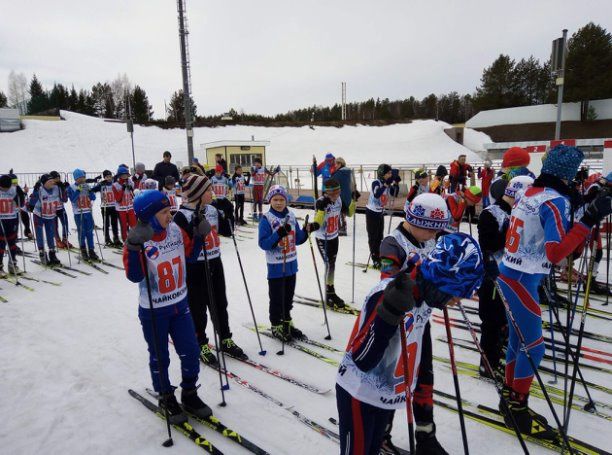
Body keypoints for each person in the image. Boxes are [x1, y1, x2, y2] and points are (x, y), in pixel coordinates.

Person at [498, 145, 611, 438]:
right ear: (567, 176)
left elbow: (555, 222)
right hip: (523, 279)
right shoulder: (555, 201)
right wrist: (588, 220)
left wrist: (587, 204)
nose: (575, 181)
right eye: (574, 177)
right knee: (534, 348)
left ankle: (510, 401)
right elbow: (556, 251)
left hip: (512, 274)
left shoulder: (534, 191)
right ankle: (518, 411)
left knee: (517, 342)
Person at [336, 233, 483, 455]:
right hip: (359, 393)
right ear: (443, 280)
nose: (457, 301)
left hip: (386, 395)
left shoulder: (424, 291)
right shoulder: (389, 293)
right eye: (456, 293)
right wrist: (389, 314)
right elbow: (362, 359)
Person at [123, 189, 212, 424]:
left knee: (191, 351)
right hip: (154, 311)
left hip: (180, 305)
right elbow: (134, 276)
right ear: (149, 216)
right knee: (160, 357)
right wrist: (133, 247)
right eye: (163, 212)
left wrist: (200, 236)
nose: (169, 216)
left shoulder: (174, 230)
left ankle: (190, 393)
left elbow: (190, 258)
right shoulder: (140, 238)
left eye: (169, 210)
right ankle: (165, 396)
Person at [378, 193, 451, 455]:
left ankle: (426, 436)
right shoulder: (392, 244)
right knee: (391, 381)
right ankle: (381, 435)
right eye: (429, 229)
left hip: (422, 326)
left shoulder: (431, 240)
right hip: (395, 328)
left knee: (424, 378)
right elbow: (388, 284)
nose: (433, 235)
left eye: (437, 230)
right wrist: (421, 285)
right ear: (413, 220)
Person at [174, 174, 247, 364]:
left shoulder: (212, 209)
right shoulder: (180, 217)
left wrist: (227, 216)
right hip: (195, 266)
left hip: (215, 261)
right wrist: (195, 228)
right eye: (207, 190)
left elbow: (226, 231)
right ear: (197, 194)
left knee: (220, 303)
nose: (212, 192)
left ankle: (225, 338)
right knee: (197, 307)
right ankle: (200, 343)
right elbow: (184, 250)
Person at [477, 176, 533, 380]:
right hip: (492, 275)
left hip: (512, 275)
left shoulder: (519, 213)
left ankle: (497, 353)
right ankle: (486, 364)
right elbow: (488, 245)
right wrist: (513, 231)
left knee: (504, 319)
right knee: (491, 321)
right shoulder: (490, 213)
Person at [258, 185, 308, 341]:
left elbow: (298, 239)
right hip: (276, 267)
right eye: (275, 200)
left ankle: (286, 321)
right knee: (277, 298)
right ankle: (276, 325)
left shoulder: (292, 216)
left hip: (291, 265)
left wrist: (307, 231)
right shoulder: (267, 219)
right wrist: (278, 235)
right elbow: (263, 244)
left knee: (288, 297)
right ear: (270, 200)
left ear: (286, 200)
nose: (278, 203)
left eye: (281, 199)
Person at [306, 178, 346, 309]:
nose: (335, 196)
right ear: (326, 193)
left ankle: (331, 292)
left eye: (338, 192)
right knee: (329, 264)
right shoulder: (321, 202)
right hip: (323, 239)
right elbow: (318, 223)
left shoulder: (339, 200)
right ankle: (329, 293)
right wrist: (310, 227)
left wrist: (353, 200)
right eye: (332, 194)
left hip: (334, 237)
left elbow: (349, 213)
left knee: (332, 265)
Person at [28, 174, 62, 266]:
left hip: (50, 215)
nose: (52, 182)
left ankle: (52, 254)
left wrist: (62, 186)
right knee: (40, 235)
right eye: (49, 181)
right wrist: (35, 190)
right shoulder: (40, 190)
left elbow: (63, 198)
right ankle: (42, 253)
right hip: (39, 215)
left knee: (50, 234)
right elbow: (32, 202)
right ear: (44, 183)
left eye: (52, 180)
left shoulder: (56, 188)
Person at [365, 164, 395, 269]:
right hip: (372, 212)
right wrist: (386, 185)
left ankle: (380, 256)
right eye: (388, 173)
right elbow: (377, 194)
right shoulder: (375, 183)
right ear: (382, 174)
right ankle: (375, 258)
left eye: (391, 173)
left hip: (380, 212)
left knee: (380, 236)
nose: (390, 175)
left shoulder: (387, 183)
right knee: (373, 236)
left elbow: (393, 193)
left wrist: (395, 184)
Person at [67, 169, 99, 262]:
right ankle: (83, 250)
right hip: (78, 213)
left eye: (83, 177)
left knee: (89, 232)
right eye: (80, 178)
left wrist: (90, 191)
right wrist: (78, 191)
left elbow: (93, 197)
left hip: (87, 212)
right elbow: (72, 199)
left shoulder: (86, 186)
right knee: (82, 232)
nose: (82, 179)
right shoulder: (71, 187)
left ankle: (91, 250)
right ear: (76, 178)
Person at [92, 170, 121, 247]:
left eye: (110, 176)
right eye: (107, 177)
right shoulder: (101, 184)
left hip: (114, 206)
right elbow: (93, 189)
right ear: (104, 177)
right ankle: (107, 238)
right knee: (106, 223)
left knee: (114, 223)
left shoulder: (114, 183)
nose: (109, 178)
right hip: (105, 207)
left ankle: (116, 238)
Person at [0, 174, 21, 276]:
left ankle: (12, 264)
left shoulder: (13, 189)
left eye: (7, 188)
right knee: (1, 244)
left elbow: (21, 202)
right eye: (3, 188)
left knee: (12, 243)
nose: (5, 190)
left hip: (12, 219)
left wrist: (21, 194)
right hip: (1, 220)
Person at [331, 157, 358, 236]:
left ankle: (341, 228)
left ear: (340, 164)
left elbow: (332, 184)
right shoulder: (350, 172)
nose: (335, 165)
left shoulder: (338, 174)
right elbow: (353, 184)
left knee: (339, 212)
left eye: (336, 164)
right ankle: (343, 227)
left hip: (339, 196)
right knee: (343, 212)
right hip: (348, 196)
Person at [113, 165, 137, 242]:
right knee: (124, 226)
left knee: (134, 224)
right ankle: (125, 240)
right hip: (121, 209)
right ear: (119, 175)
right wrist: (122, 189)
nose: (125, 176)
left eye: (126, 175)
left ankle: (134, 239)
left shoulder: (130, 182)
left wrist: (131, 189)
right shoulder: (115, 185)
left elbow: (134, 195)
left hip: (130, 207)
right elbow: (118, 199)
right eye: (123, 175)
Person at [49, 171, 71, 250]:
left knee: (65, 223)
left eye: (58, 178)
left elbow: (65, 199)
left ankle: (65, 239)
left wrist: (64, 189)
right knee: (55, 225)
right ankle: (57, 240)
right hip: (52, 210)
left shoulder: (60, 186)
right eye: (55, 178)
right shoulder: (49, 187)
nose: (57, 179)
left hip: (61, 208)